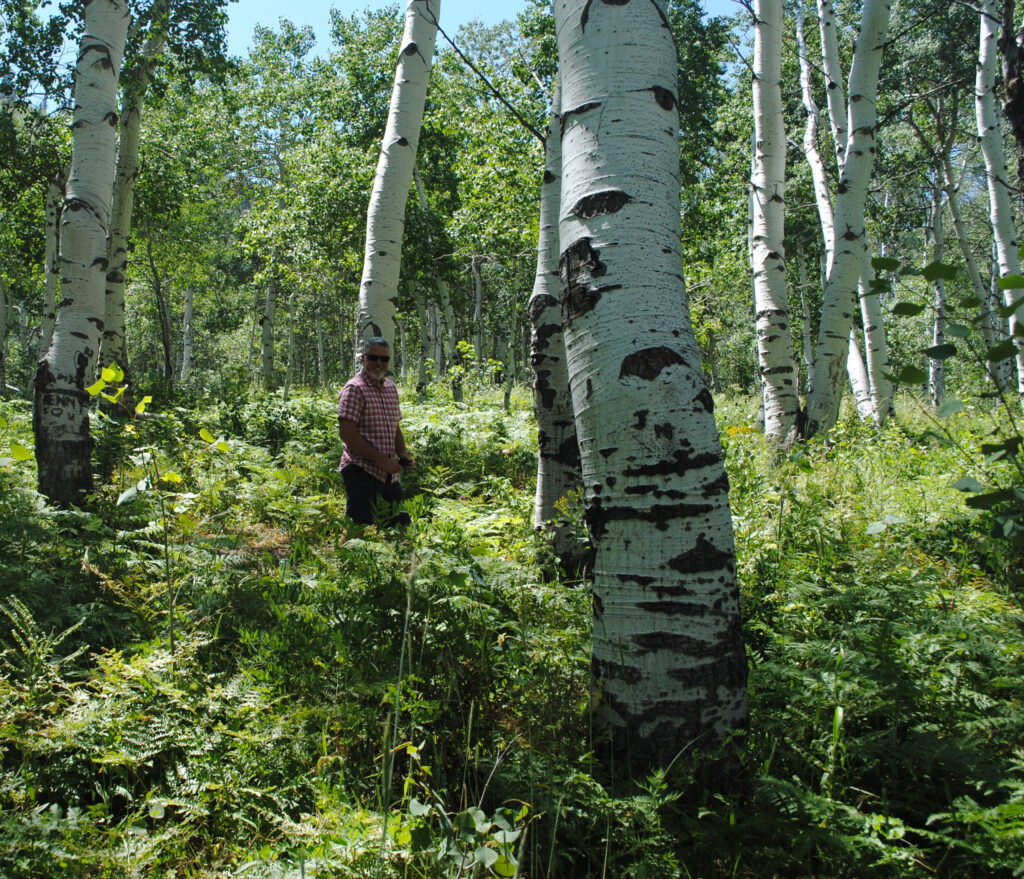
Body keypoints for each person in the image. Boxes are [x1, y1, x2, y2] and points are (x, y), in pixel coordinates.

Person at [337, 337, 414, 527]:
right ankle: (347, 555)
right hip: (360, 468)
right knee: (359, 523)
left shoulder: (390, 388)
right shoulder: (354, 389)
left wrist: (402, 455)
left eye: (384, 359)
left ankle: (402, 557)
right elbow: (347, 434)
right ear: (363, 359)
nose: (379, 363)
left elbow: (395, 426)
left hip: (387, 473)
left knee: (400, 523)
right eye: (373, 358)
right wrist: (382, 461)